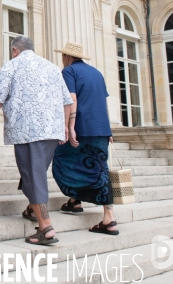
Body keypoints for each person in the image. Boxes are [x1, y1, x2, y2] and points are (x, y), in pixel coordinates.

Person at [0, 36, 73, 245]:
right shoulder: (51, 67)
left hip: (28, 130)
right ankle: (34, 211)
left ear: (15, 50)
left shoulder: (12, 65)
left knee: (33, 176)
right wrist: (66, 126)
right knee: (35, 173)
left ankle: (46, 227)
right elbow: (67, 101)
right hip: (52, 130)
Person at [52, 41, 118, 235]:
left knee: (61, 161)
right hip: (100, 129)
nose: (62, 59)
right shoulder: (97, 73)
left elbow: (71, 99)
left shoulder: (68, 72)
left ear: (68, 57)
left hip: (81, 127)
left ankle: (109, 220)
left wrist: (69, 126)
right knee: (100, 170)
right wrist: (109, 130)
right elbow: (104, 103)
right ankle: (75, 201)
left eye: (63, 56)